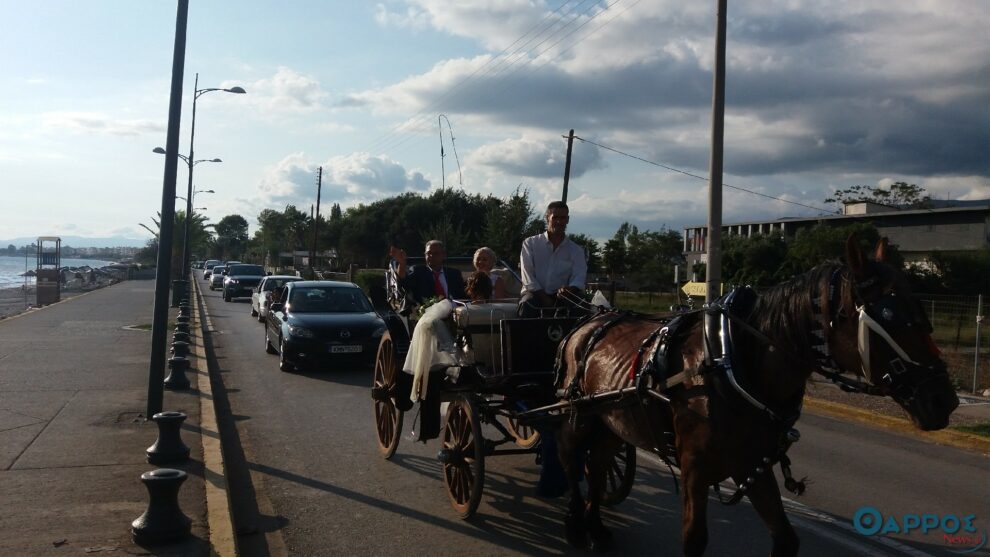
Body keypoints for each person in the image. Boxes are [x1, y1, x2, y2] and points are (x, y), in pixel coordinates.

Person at [518, 201, 588, 317]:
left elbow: (579, 276)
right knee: (527, 306)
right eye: (555, 217)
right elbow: (527, 275)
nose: (559, 221)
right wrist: (544, 297)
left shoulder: (576, 250)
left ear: (567, 219)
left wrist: (570, 289)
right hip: (535, 294)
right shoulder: (530, 243)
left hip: (564, 296)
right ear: (547, 218)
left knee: (582, 307)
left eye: (563, 218)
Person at [389, 240, 467, 304]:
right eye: (429, 253)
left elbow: (463, 297)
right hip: (429, 316)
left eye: (436, 253)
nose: (431, 256)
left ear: (443, 255)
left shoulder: (454, 274)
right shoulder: (418, 272)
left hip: (456, 315)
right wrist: (402, 263)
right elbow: (403, 283)